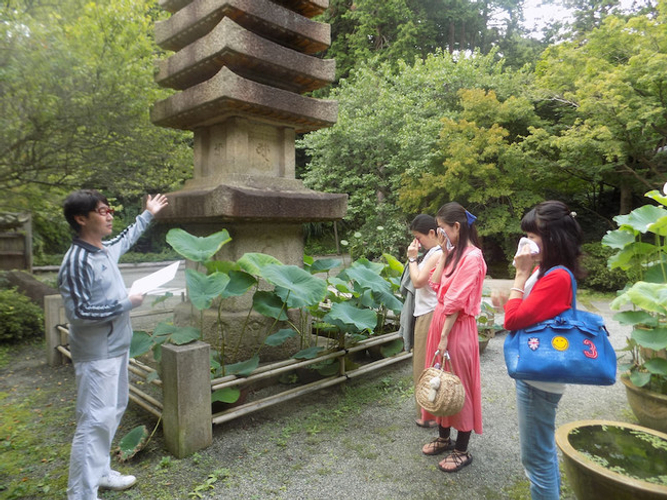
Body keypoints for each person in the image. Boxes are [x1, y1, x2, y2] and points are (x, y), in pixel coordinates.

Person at [58, 190, 168, 500]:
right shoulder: (77, 261)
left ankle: (102, 473)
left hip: (117, 347)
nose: (109, 215)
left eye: (109, 211)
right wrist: (126, 303)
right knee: (94, 421)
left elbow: (126, 238)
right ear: (81, 218)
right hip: (96, 355)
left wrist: (148, 213)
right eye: (102, 211)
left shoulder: (103, 251)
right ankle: (80, 493)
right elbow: (78, 314)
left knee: (112, 413)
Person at [502, 200, 583, 500]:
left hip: (539, 380)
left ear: (552, 238)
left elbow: (512, 320)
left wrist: (519, 277)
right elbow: (522, 310)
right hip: (536, 373)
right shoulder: (546, 271)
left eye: (531, 237)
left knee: (536, 459)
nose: (525, 244)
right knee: (541, 454)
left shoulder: (557, 276)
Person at [420, 202, 486, 473]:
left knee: (459, 386)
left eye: (443, 230)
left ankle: (462, 449)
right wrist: (444, 255)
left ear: (457, 227)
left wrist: (444, 337)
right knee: (440, 383)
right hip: (442, 323)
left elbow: (456, 302)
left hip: (456, 329)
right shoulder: (455, 254)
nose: (440, 235)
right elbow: (435, 284)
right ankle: (444, 438)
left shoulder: (473, 257)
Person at [405, 214, 443, 429]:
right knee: (432, 364)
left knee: (423, 364)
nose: (417, 243)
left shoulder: (436, 254)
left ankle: (427, 414)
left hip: (429, 314)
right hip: (431, 312)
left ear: (432, 233)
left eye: (419, 237)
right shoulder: (436, 253)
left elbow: (418, 281)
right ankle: (433, 412)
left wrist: (412, 258)